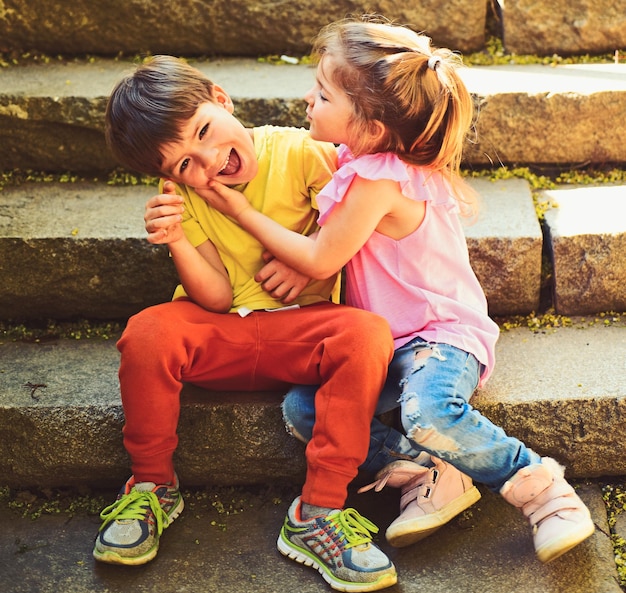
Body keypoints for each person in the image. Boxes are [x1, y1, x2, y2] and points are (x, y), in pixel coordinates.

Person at [197, 16, 596, 564]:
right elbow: (326, 242)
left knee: (428, 410)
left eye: (322, 93)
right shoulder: (354, 161)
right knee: (303, 411)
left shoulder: (380, 179)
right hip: (383, 343)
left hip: (439, 336)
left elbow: (322, 255)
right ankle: (431, 471)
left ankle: (543, 491)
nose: (307, 101)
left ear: (369, 125)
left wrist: (241, 211)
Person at [93, 53, 441, 593]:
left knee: (366, 334)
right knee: (148, 331)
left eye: (205, 132)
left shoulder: (302, 152)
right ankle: (151, 484)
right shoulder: (184, 197)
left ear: (221, 97)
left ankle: (318, 512)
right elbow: (214, 295)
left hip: (305, 330)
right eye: (184, 163)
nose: (208, 162)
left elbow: (354, 228)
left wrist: (307, 257)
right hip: (223, 332)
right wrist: (179, 240)